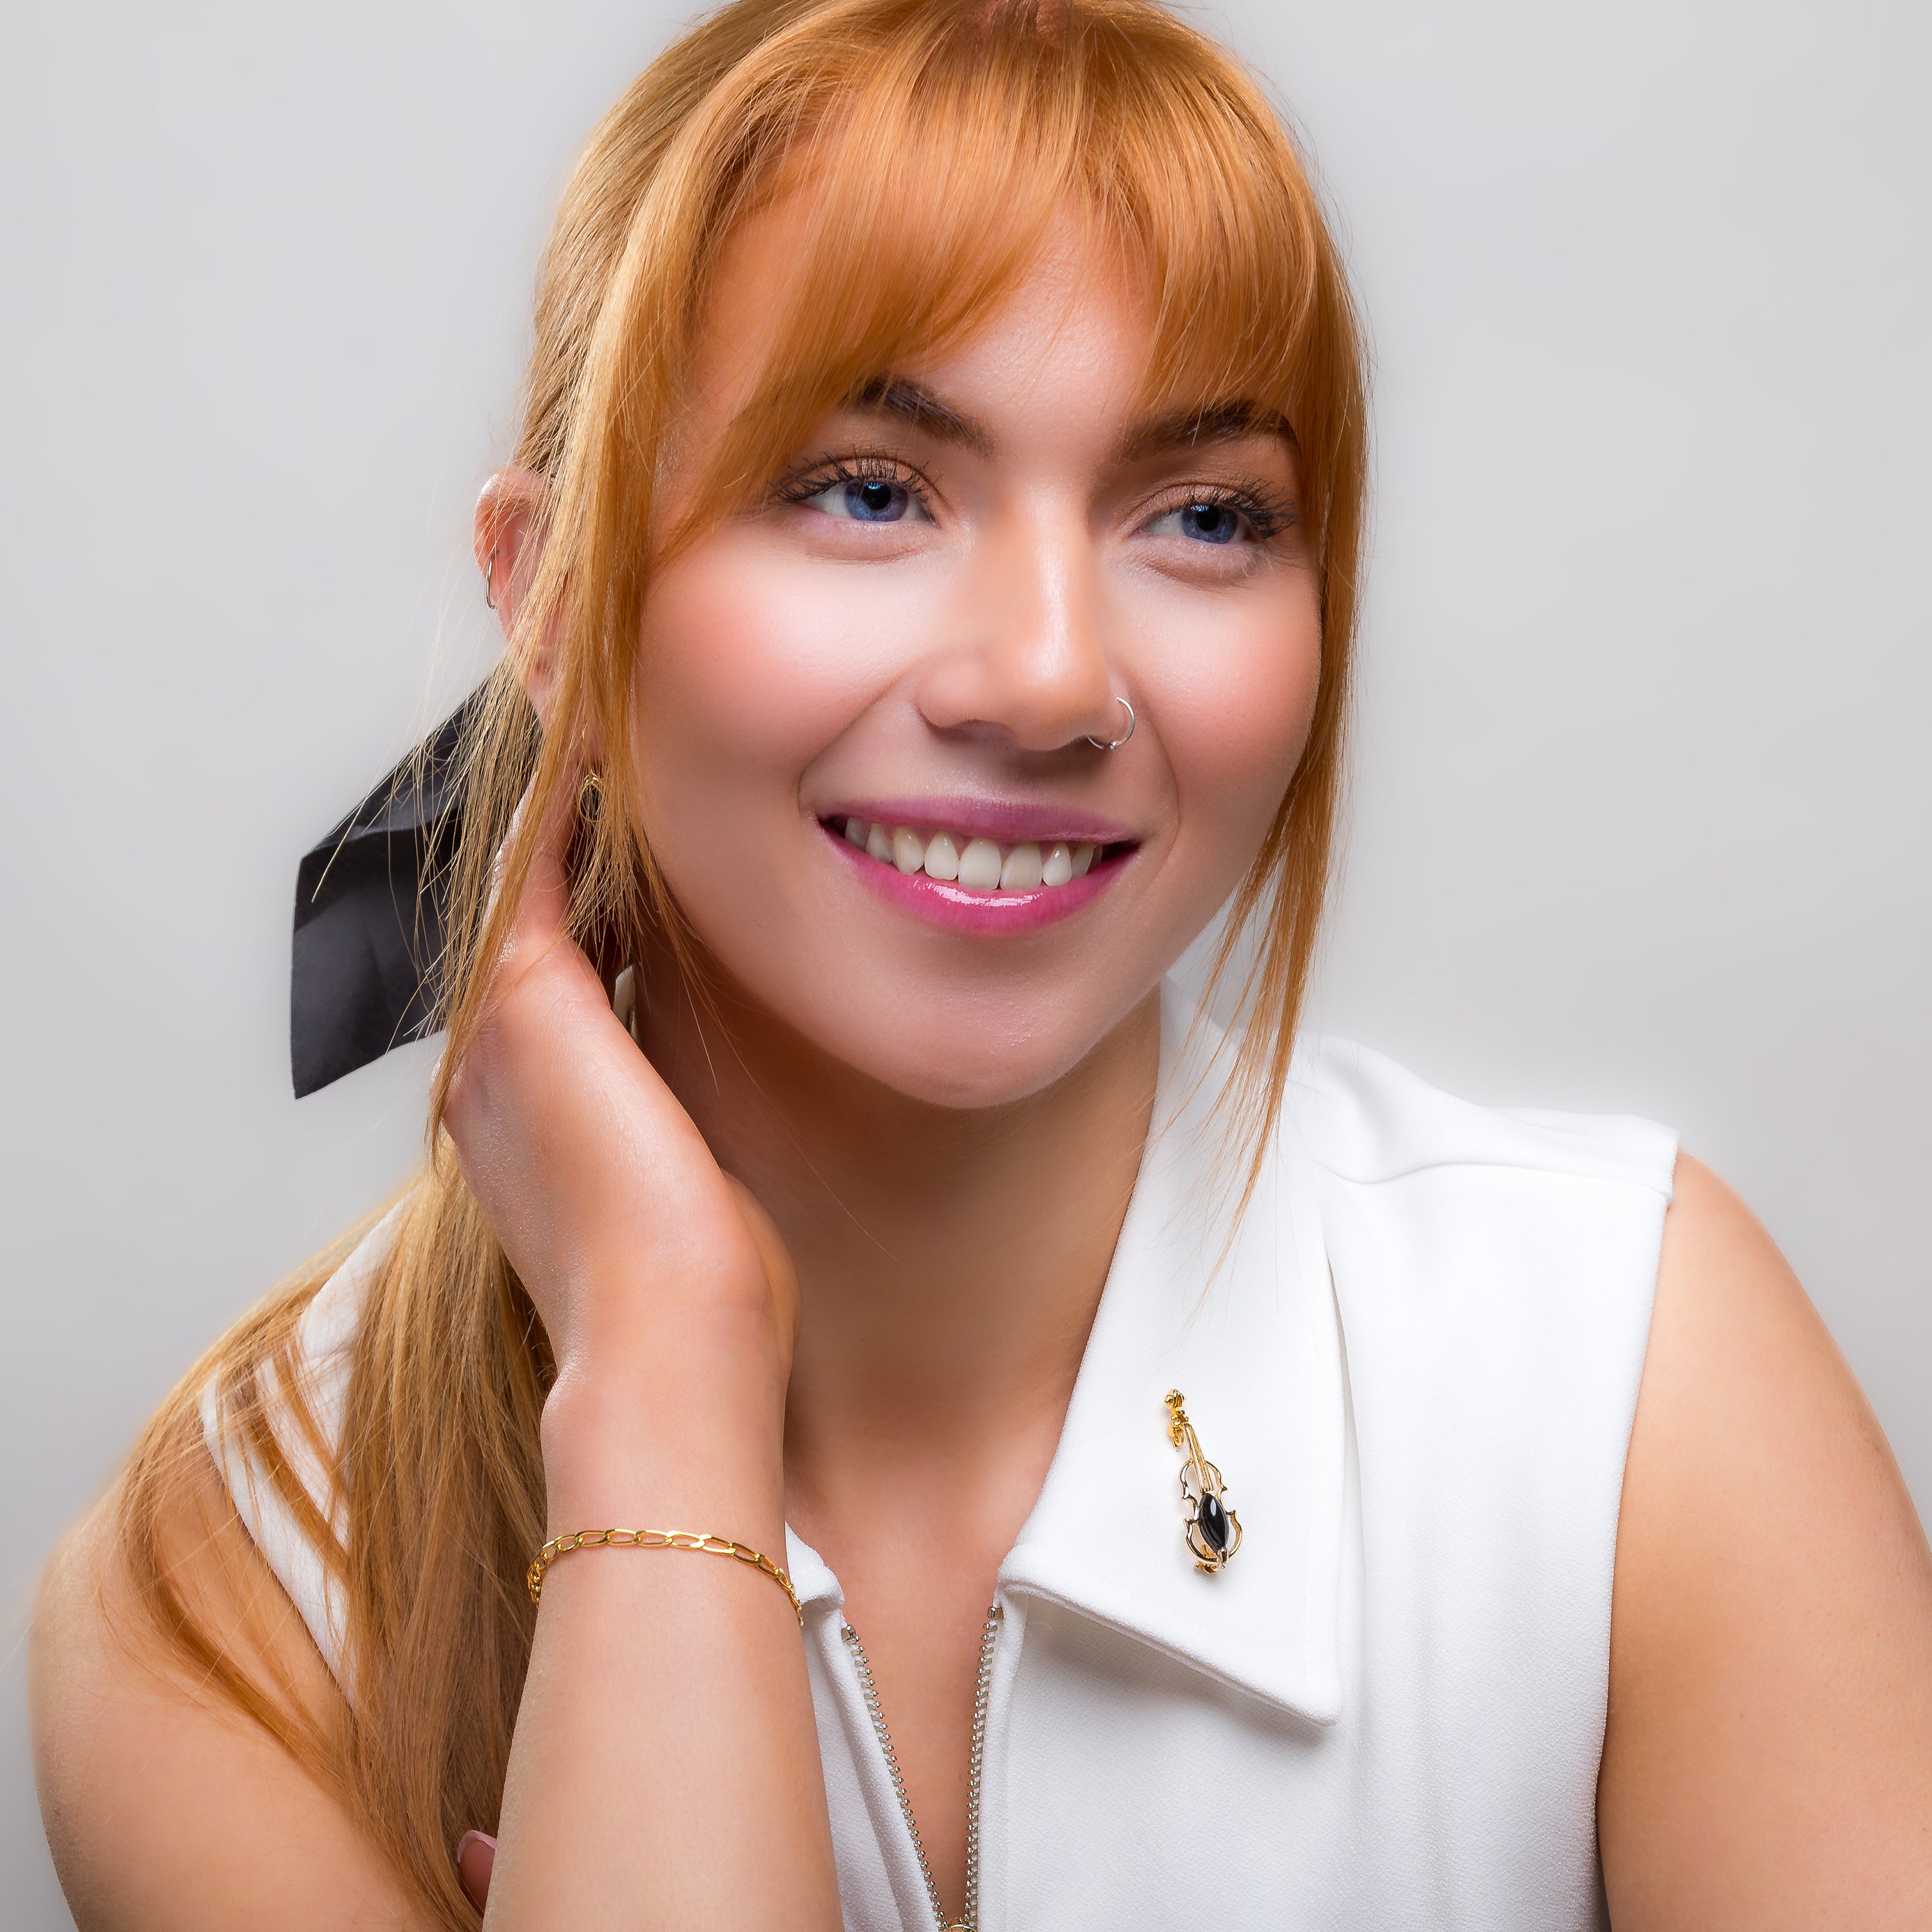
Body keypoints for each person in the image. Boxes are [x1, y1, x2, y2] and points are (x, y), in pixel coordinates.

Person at [30, 1, 1932, 1926]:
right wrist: (665, 1373)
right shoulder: (231, 1599)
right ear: (554, 598)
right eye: (869, 489)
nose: (1045, 677)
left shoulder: (1629, 1377)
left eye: (1204, 517)